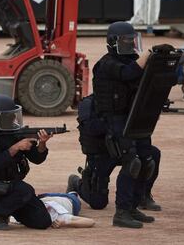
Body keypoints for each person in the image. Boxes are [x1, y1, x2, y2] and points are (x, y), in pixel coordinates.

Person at [67, 21, 168, 229]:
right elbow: (128, 73)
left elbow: (150, 79)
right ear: (113, 42)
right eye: (126, 41)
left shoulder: (133, 60)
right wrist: (149, 54)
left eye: (133, 40)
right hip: (111, 124)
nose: (131, 44)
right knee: (102, 196)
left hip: (133, 118)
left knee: (146, 158)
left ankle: (131, 206)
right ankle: (116, 210)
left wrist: (164, 59)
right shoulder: (106, 64)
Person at [0, 94, 54, 230]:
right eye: (10, 115)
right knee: (25, 190)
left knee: (43, 221)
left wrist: (42, 144)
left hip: (14, 191)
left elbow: (37, 159)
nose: (14, 118)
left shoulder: (15, 133)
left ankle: (7, 212)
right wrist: (15, 148)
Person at [67, 94, 162, 215]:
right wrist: (114, 122)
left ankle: (144, 194)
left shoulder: (126, 101)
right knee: (98, 203)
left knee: (152, 154)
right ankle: (76, 182)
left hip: (125, 148)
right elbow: (90, 128)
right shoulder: (89, 103)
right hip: (102, 153)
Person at [0, 191, 95, 229]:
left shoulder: (56, 217)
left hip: (65, 198)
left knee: (73, 194)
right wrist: (66, 223)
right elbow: (90, 221)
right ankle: (72, 190)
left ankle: (73, 188)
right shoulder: (29, 215)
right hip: (67, 201)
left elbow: (91, 222)